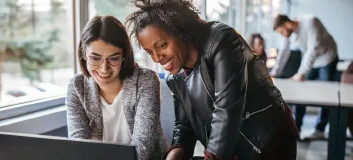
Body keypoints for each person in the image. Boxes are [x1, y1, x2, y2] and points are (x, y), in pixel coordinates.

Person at [126, 0, 299, 160]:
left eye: (163, 45)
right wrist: (176, 152)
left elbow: (227, 108)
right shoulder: (175, 75)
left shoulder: (221, 40)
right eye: (150, 52)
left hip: (269, 142)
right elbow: (185, 124)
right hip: (232, 150)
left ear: (181, 31)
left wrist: (212, 156)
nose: (157, 58)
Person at [65, 16, 168, 160]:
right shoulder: (77, 86)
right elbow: (79, 146)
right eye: (95, 58)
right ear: (83, 54)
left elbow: (142, 149)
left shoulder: (146, 80)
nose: (104, 68)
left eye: (113, 58)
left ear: (124, 56)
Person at [273, 15, 338, 140]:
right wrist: (276, 71)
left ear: (286, 24)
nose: (282, 35)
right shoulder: (290, 34)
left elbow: (313, 49)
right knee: (300, 91)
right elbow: (284, 50)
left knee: (327, 95)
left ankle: (319, 129)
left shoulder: (310, 23)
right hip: (312, 61)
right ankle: (296, 128)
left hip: (327, 57)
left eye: (281, 32)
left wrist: (301, 73)